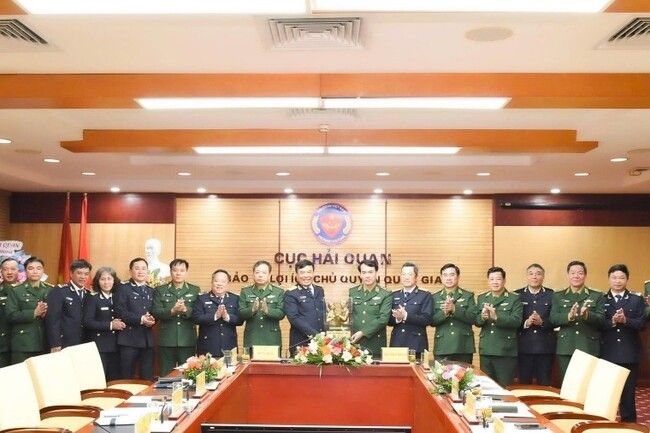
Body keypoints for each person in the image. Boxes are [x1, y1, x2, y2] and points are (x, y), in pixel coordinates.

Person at [600, 264, 646, 423]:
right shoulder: (601, 299)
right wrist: (612, 321)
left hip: (629, 353)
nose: (618, 281)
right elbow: (596, 324)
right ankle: (605, 425)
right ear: (609, 279)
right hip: (607, 353)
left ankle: (629, 426)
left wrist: (626, 320)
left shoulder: (636, 299)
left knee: (628, 394)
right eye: (614, 277)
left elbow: (641, 324)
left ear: (627, 279)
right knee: (606, 394)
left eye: (621, 277)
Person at [550, 260, 605, 381]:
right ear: (568, 275)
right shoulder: (558, 295)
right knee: (567, 384)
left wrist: (587, 315)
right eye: (573, 273)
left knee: (586, 384)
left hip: (588, 346)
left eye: (580, 273)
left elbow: (602, 320)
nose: (576, 276)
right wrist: (568, 316)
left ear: (585, 275)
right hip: (566, 347)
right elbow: (553, 318)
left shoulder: (597, 295)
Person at [475, 266, 523, 387]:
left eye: (498, 279)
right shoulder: (482, 298)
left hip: (505, 350)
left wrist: (497, 318)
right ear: (488, 281)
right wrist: (482, 317)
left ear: (504, 280)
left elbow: (517, 321)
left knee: (504, 388)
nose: (495, 282)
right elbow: (476, 321)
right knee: (486, 387)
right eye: (492, 279)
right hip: (486, 349)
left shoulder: (514, 298)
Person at [152, 259, 200, 375]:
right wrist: (172, 311)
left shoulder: (195, 290)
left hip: (187, 340)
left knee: (188, 375)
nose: (178, 273)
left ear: (186, 272)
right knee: (166, 375)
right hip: (167, 340)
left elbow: (199, 314)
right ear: (170, 272)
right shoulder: (160, 290)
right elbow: (156, 312)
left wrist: (186, 310)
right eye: (175, 270)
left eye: (182, 270)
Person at [114, 257, 155, 380]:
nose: (140, 271)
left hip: (147, 340)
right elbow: (120, 311)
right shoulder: (123, 288)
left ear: (147, 271)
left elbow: (154, 311)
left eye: (143, 269)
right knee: (126, 377)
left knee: (147, 377)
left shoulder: (151, 290)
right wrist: (141, 319)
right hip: (129, 340)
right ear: (131, 271)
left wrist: (152, 320)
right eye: (137, 268)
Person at [5, 256, 52, 364]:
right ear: (25, 271)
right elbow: (11, 315)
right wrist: (34, 313)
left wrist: (46, 314)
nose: (35, 271)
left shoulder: (50, 290)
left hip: (44, 342)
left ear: (43, 271)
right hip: (23, 344)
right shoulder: (16, 290)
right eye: (31, 268)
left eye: (38, 268)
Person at [514, 263, 555, 385]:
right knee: (523, 384)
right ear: (527, 276)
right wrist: (526, 322)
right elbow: (512, 320)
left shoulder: (552, 295)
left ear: (543, 276)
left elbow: (556, 319)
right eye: (531, 274)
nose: (534, 277)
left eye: (538, 274)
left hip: (545, 347)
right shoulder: (517, 295)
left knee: (545, 384)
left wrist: (542, 322)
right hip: (523, 347)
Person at [83, 267, 126, 381]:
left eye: (109, 279)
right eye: (102, 279)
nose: (106, 282)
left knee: (115, 380)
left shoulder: (118, 297)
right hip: (100, 346)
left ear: (114, 280)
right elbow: (87, 322)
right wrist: (110, 325)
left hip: (117, 345)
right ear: (97, 281)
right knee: (100, 380)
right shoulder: (93, 298)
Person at [431, 263, 477, 364]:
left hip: (463, 346)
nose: (448, 278)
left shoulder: (468, 295)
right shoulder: (434, 297)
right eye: (445, 275)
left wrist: (455, 309)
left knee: (464, 374)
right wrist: (444, 313)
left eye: (452, 275)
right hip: (442, 346)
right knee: (440, 374)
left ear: (458, 277)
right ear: (441, 277)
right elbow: (432, 321)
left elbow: (473, 318)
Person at [238, 260, 285, 352]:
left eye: (264, 273)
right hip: (252, 338)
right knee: (250, 361)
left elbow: (281, 313)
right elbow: (241, 313)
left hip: (272, 339)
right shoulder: (245, 291)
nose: (260, 275)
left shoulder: (278, 292)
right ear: (253, 274)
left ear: (269, 275)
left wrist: (268, 311)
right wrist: (252, 310)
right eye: (257, 272)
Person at [45, 259, 91, 351]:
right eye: (79, 273)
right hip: (63, 342)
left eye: (86, 274)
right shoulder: (59, 291)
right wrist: (55, 343)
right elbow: (52, 319)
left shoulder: (88, 294)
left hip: (83, 342)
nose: (83, 277)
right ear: (71, 273)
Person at [348, 259, 391, 358]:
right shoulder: (353, 292)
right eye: (364, 272)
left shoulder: (385, 294)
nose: (367, 276)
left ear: (376, 273)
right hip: (355, 343)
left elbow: (383, 319)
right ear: (360, 275)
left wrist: (363, 332)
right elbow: (349, 315)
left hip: (375, 344)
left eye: (370, 272)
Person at [388, 262, 433, 356]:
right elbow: (387, 320)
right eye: (403, 274)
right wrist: (397, 319)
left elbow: (427, 319)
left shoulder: (425, 295)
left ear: (416, 277)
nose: (406, 277)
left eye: (410, 274)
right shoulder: (393, 295)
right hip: (397, 344)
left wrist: (406, 316)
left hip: (416, 344)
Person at [193, 269, 240, 357]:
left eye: (223, 281)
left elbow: (240, 320)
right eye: (216, 281)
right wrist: (215, 316)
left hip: (229, 346)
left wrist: (227, 317)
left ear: (228, 283)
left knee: (230, 366)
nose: (219, 284)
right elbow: (196, 318)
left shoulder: (235, 299)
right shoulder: (202, 298)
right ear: (212, 282)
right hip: (208, 347)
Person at [284, 259, 326, 355]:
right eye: (302, 272)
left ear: (313, 273)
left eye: (309, 272)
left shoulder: (319, 290)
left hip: (321, 342)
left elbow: (323, 313)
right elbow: (294, 318)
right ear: (296, 275)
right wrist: (315, 335)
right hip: (301, 343)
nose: (306, 275)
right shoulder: (291, 293)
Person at [0, 257, 20, 367]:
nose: (9, 272)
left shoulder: (25, 291)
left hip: (21, 344)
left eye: (13, 269)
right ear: (1, 271)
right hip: (2, 344)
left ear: (18, 271)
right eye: (5, 269)